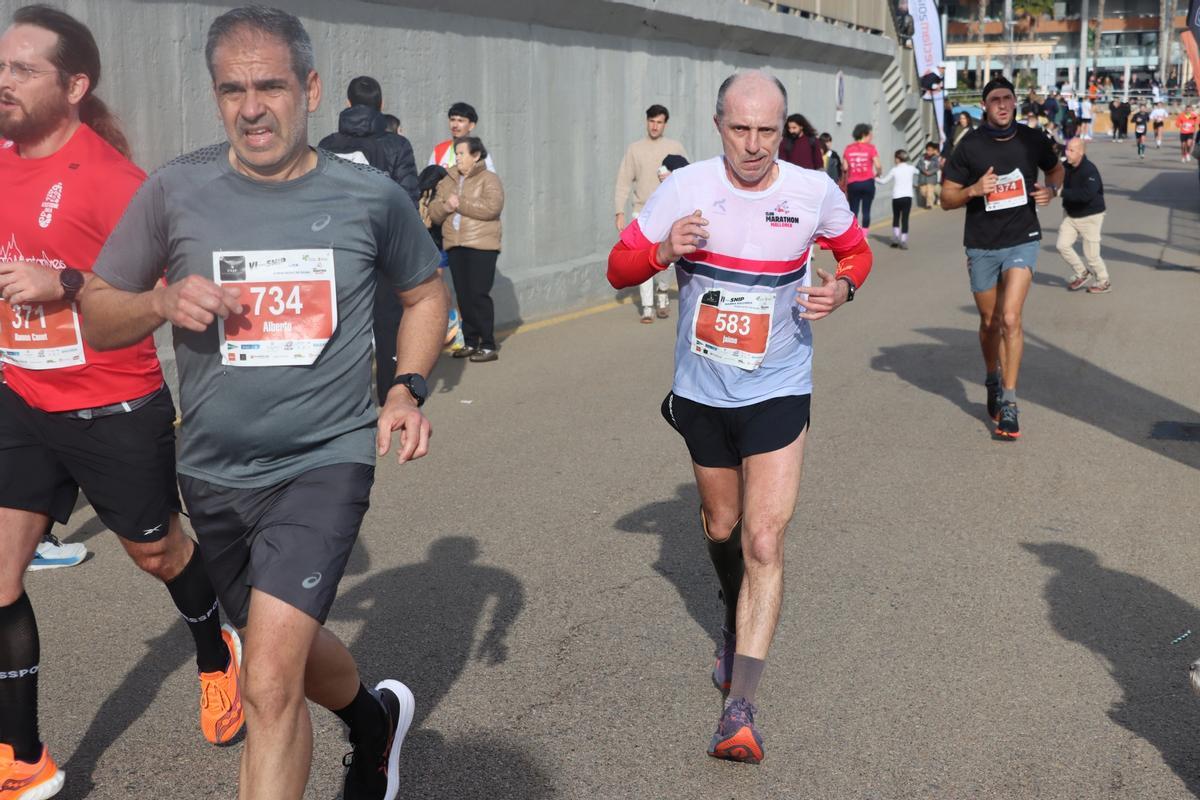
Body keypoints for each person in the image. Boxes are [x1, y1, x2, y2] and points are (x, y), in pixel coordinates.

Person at [80, 7, 448, 799]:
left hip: (326, 459)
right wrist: (159, 303)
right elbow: (96, 310)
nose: (252, 107)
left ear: (309, 88)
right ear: (216, 98)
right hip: (213, 471)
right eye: (233, 89)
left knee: (269, 683)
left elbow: (425, 293)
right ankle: (375, 721)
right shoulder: (176, 191)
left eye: (271, 86)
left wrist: (405, 389)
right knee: (285, 648)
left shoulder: (370, 196)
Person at [0, 6, 247, 797]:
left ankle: (217, 652)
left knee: (159, 554)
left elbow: (169, 295)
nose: (2, 82)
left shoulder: (117, 183)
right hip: (19, 398)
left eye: (22, 69)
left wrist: (66, 284)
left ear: (74, 86)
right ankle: (22, 757)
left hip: (112, 407)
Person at [606, 70, 873, 765]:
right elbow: (618, 268)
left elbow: (857, 250)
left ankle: (740, 708)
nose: (753, 146)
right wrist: (664, 251)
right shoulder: (685, 188)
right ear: (719, 123)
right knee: (721, 527)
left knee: (762, 540)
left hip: (780, 384)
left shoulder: (812, 191)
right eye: (739, 129)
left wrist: (842, 287)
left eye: (767, 130)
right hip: (701, 391)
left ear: (784, 128)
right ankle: (732, 614)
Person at [940, 76, 1063, 441]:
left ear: (1015, 102)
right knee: (990, 322)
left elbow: (1056, 169)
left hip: (1022, 239)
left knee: (1011, 318)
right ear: (985, 106)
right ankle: (992, 376)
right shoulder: (970, 146)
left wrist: (1051, 190)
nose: (1003, 104)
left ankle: (1009, 401)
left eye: (1008, 98)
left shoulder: (1032, 139)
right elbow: (947, 197)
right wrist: (974, 190)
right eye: (995, 99)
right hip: (981, 244)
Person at [318, 75, 419, 406]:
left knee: (340, 327)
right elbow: (408, 201)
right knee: (388, 329)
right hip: (384, 253)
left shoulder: (326, 146)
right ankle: (392, 398)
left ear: (348, 104)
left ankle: (342, 399)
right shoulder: (396, 145)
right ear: (382, 104)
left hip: (336, 253)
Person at [428, 137, 504, 363]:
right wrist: (446, 206)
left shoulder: (489, 179)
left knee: (479, 293)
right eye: (456, 153)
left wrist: (460, 203)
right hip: (454, 244)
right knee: (464, 295)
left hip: (482, 244)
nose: (457, 158)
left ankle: (488, 343)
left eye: (462, 153)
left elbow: (492, 207)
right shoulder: (448, 180)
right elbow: (433, 212)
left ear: (476, 156)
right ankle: (471, 341)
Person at [614, 104, 688, 322]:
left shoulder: (675, 147)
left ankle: (663, 292)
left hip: (667, 214)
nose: (655, 126)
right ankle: (647, 307)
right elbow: (623, 181)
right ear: (647, 122)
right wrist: (619, 211)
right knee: (642, 262)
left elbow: (688, 176)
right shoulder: (634, 149)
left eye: (659, 122)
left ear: (665, 124)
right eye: (652, 121)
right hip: (641, 213)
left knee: (666, 260)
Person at [1056, 138, 1110, 295]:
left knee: (1092, 256)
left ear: (1081, 152)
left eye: (1072, 150)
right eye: (1067, 149)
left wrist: (1060, 192)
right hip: (1071, 214)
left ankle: (1104, 281)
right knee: (1062, 245)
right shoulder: (1065, 166)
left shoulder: (1089, 170)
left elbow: (1086, 195)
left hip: (1091, 216)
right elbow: (1056, 179)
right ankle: (1082, 272)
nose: (1067, 153)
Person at [428, 101, 495, 172]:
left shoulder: (478, 151)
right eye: (452, 120)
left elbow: (490, 179)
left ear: (471, 126)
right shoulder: (439, 150)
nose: (455, 125)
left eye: (460, 121)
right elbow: (429, 178)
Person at [876, 148, 917, 248]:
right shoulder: (911, 168)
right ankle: (903, 240)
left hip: (897, 197)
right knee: (905, 219)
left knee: (896, 217)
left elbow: (883, 181)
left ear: (898, 159)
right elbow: (919, 172)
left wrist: (875, 177)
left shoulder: (894, 170)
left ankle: (895, 239)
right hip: (908, 197)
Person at [843, 123, 881, 228]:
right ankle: (864, 236)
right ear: (864, 134)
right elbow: (878, 165)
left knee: (853, 210)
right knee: (866, 211)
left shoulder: (848, 148)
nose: (872, 137)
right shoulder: (871, 148)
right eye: (870, 134)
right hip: (868, 182)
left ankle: (853, 235)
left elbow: (845, 167)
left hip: (853, 183)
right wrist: (878, 173)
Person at [915, 142, 941, 209]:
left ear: (933, 151)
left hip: (931, 178)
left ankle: (929, 205)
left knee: (930, 191)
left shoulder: (935, 158)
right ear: (926, 150)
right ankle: (933, 198)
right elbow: (918, 165)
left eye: (931, 150)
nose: (929, 151)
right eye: (928, 150)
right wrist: (923, 170)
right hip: (922, 178)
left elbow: (937, 167)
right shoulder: (922, 157)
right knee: (923, 192)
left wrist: (930, 172)